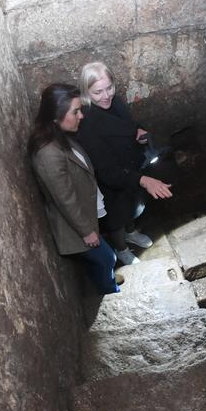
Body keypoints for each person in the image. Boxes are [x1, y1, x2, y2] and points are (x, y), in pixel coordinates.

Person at [29, 83, 122, 294]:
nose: (81, 116)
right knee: (108, 257)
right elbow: (65, 199)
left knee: (102, 259)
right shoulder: (48, 154)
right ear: (56, 117)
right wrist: (87, 232)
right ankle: (111, 291)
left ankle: (103, 278)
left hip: (84, 215)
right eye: (76, 111)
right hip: (75, 228)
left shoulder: (59, 137)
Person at [76, 61, 173, 265]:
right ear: (86, 92)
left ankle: (131, 232)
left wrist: (137, 131)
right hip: (113, 177)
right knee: (117, 216)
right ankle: (121, 248)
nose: (106, 96)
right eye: (98, 92)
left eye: (109, 88)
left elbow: (128, 124)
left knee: (133, 207)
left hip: (132, 165)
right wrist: (143, 180)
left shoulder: (116, 101)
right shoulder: (87, 123)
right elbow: (105, 170)